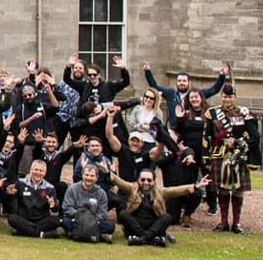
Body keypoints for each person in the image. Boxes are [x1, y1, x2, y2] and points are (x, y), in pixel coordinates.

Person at [202, 85, 258, 233]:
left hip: (238, 156)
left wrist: (239, 143)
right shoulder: (212, 113)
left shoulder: (244, 113)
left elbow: (255, 137)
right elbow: (207, 137)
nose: (227, 99)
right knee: (222, 190)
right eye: (225, 97)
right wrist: (206, 158)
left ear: (235, 97)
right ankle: (223, 222)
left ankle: (236, 224)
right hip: (220, 155)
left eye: (230, 97)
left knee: (238, 190)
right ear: (221, 97)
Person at [111, 170, 209, 247]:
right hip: (136, 224)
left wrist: (196, 186)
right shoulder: (133, 188)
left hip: (153, 224)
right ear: (138, 181)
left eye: (149, 180)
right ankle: (151, 239)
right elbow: (120, 182)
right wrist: (108, 172)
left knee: (167, 217)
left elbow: (178, 190)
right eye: (143, 180)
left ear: (153, 182)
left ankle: (142, 239)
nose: (146, 183)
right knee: (123, 214)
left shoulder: (161, 192)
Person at [4, 160, 60, 238]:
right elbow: (10, 202)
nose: (38, 172)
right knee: (12, 218)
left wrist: (53, 205)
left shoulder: (50, 188)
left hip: (41, 220)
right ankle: (41, 234)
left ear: (45, 173)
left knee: (56, 221)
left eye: (41, 171)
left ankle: (23, 231)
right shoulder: (20, 183)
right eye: (36, 169)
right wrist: (9, 194)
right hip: (24, 218)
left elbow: (55, 209)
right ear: (31, 170)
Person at [60, 165, 114, 244]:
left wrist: (90, 219)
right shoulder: (72, 189)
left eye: (92, 176)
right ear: (82, 175)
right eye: (86, 175)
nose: (89, 178)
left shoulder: (101, 193)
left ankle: (74, 234)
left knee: (110, 226)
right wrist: (81, 217)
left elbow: (103, 214)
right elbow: (67, 208)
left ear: (96, 177)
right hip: (76, 219)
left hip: (94, 222)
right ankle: (98, 236)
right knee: (65, 222)